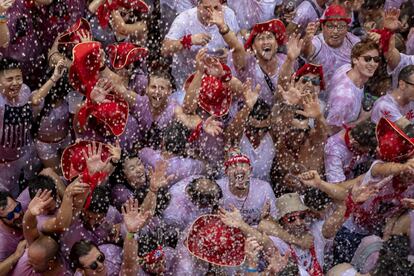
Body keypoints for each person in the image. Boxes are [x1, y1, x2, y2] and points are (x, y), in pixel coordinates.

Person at [161, 0, 240, 88]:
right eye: (206, 8)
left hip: (220, 78)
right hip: (189, 81)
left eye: (216, 8)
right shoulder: (184, 19)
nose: (211, 13)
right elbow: (165, 49)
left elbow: (240, 50)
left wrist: (229, 53)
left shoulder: (229, 15)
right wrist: (189, 40)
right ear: (198, 5)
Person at [326, 39, 380, 132]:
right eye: (367, 59)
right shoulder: (344, 97)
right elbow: (330, 130)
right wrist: (361, 120)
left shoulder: (346, 67)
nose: (372, 64)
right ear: (355, 60)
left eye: (376, 60)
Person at [302, 5, 360, 86]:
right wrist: (307, 40)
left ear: (347, 28)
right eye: (330, 26)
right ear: (322, 27)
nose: (335, 31)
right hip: (319, 95)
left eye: (341, 26)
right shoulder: (317, 42)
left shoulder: (353, 42)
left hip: (346, 92)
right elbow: (307, 52)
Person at [216, 151, 278, 225]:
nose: (239, 169)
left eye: (243, 165)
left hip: (255, 233)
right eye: (234, 166)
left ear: (250, 170)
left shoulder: (264, 188)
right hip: (227, 233)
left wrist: (266, 218)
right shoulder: (217, 187)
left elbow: (276, 223)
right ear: (226, 172)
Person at [0, 190, 26, 275]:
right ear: (1, 220)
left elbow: (46, 177)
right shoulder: (2, 242)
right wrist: (16, 256)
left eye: (17, 208)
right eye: (10, 215)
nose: (17, 215)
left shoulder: (23, 203)